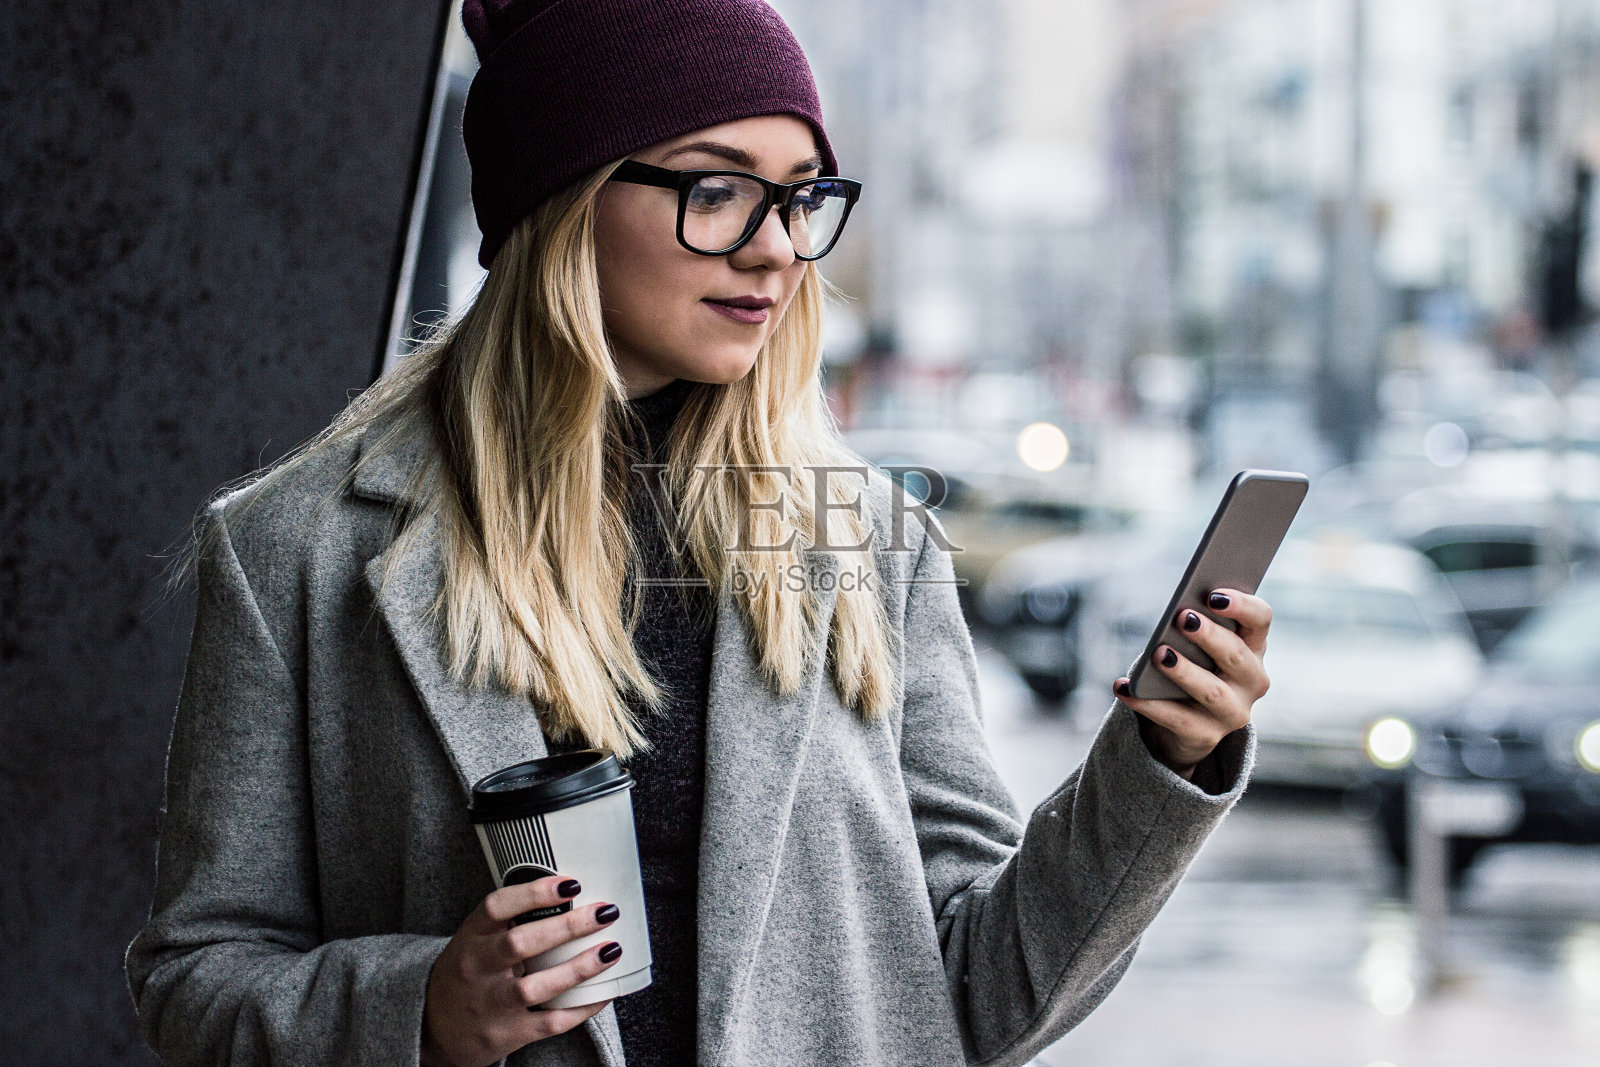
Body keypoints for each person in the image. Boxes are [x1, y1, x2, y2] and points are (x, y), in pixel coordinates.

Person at [124, 2, 1273, 1065]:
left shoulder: (867, 542)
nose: (776, 245)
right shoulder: (300, 548)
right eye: (717, 190)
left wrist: (1158, 766)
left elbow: (976, 988)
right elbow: (198, 980)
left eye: (801, 195)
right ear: (562, 199)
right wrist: (424, 1006)